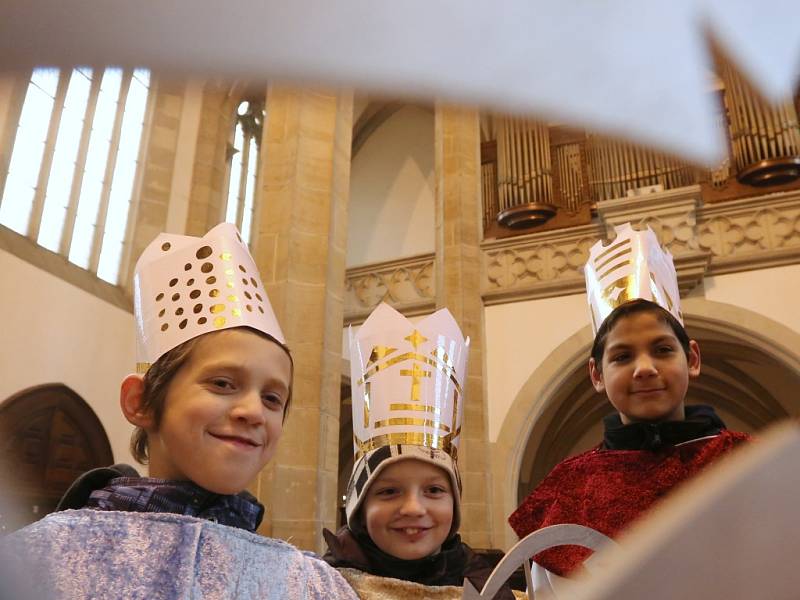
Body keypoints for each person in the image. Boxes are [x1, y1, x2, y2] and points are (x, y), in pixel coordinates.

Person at [0, 223, 357, 600]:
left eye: (272, 398)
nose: (254, 411)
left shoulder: (313, 585)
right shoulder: (34, 560)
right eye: (222, 383)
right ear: (140, 402)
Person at [508, 223, 752, 580]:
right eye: (622, 357)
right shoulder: (569, 489)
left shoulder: (748, 463)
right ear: (596, 374)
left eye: (662, 350)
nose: (644, 369)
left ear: (693, 359)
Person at [322, 303, 515, 599]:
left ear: (455, 502)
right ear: (359, 507)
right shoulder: (320, 586)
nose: (413, 508)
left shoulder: (486, 588)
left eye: (435, 490)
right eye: (388, 491)